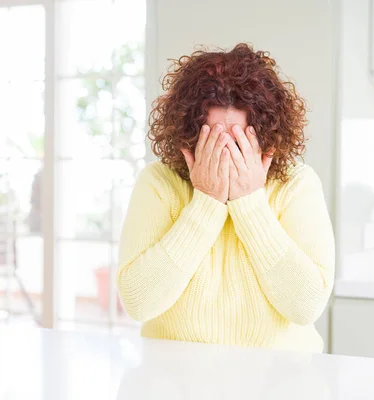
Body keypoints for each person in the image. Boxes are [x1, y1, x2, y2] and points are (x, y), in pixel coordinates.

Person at [117, 43, 335, 352]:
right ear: (189, 138)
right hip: (175, 375)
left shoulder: (297, 184)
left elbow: (306, 306)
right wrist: (206, 201)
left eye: (238, 141)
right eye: (214, 139)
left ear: (265, 139)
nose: (227, 154)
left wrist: (249, 201)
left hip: (280, 377)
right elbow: (138, 302)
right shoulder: (159, 182)